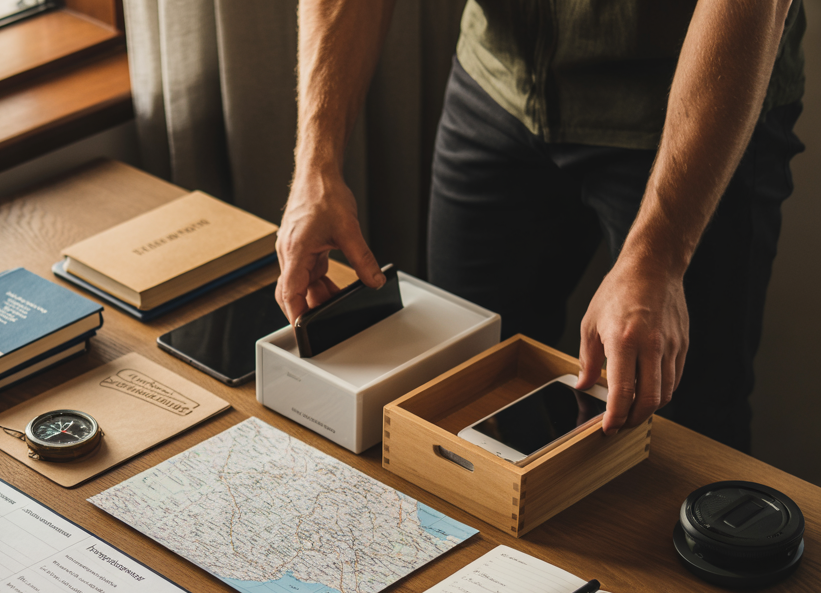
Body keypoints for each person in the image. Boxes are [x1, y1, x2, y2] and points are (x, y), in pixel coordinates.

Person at [276, 0, 805, 451]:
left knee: (678, 432)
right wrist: (315, 165)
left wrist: (659, 257)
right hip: (499, 86)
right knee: (460, 397)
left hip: (690, 100)